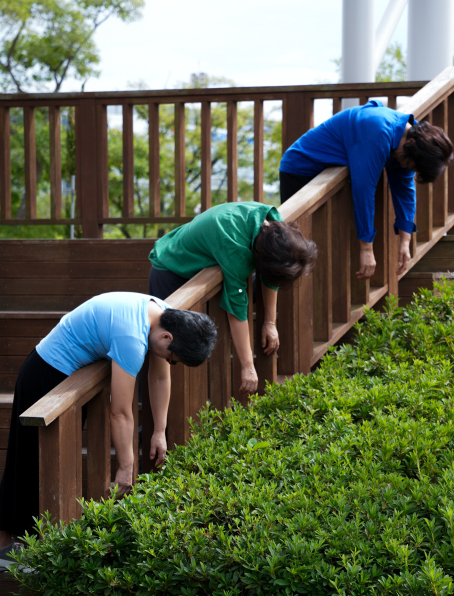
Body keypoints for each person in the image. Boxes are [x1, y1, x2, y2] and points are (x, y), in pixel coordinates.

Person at [0, 292, 217, 564]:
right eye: (173, 358)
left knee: (43, 461)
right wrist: (126, 467)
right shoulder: (132, 339)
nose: (169, 362)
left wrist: (159, 431)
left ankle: (25, 545)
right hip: (46, 376)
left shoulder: (163, 314)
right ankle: (7, 545)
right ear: (167, 338)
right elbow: (120, 411)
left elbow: (160, 379)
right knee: (29, 461)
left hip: (68, 377)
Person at [148, 202, 317, 395]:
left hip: (201, 268)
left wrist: (270, 322)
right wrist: (247, 366)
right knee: (170, 349)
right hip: (171, 269)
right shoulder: (235, 250)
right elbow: (236, 311)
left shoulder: (274, 225)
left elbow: (271, 278)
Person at [279, 99, 454, 280]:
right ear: (410, 142)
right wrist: (366, 248)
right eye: (407, 162)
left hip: (328, 176)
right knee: (294, 247)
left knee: (317, 248)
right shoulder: (379, 131)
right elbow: (364, 190)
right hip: (301, 171)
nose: (404, 165)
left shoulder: (409, 142)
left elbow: (405, 190)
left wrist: (405, 241)